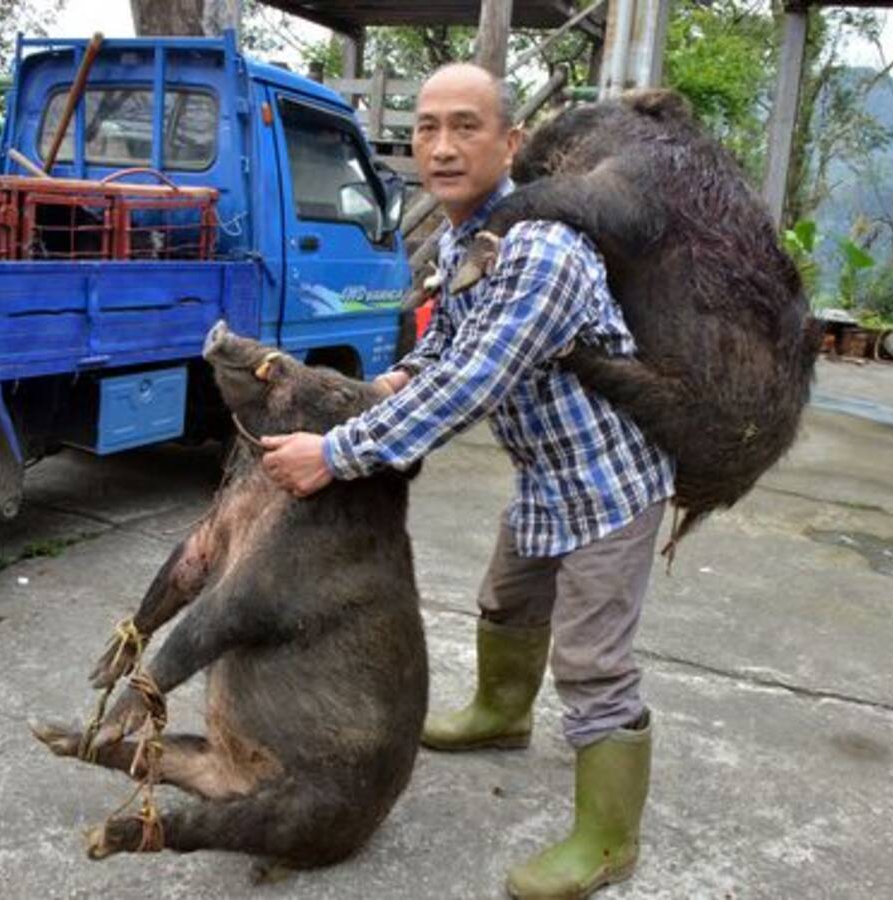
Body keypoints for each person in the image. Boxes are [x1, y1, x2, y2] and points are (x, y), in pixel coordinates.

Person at [260, 62, 673, 900]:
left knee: (592, 661)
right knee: (507, 601)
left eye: (465, 127)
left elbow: (473, 383)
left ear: (510, 142)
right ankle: (501, 714)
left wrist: (336, 450)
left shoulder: (544, 249)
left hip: (611, 487)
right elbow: (445, 346)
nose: (442, 148)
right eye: (426, 129)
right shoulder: (463, 239)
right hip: (545, 478)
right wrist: (389, 383)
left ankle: (606, 839)